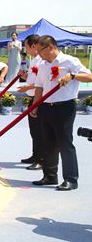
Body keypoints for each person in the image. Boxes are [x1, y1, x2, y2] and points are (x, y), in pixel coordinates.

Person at [31, 35, 92, 191]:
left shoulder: (69, 61)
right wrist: (35, 106)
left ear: (51, 47)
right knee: (48, 142)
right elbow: (39, 87)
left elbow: (89, 76)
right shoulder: (42, 65)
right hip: (46, 106)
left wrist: (72, 76)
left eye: (40, 50)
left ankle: (71, 179)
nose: (38, 54)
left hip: (64, 107)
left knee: (65, 143)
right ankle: (50, 176)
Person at [16, 34, 44, 170]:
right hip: (33, 97)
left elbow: (42, 83)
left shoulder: (42, 61)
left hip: (40, 99)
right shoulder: (34, 60)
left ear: (33, 46)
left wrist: (28, 87)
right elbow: (34, 79)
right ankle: (35, 155)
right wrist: (25, 76)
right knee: (34, 130)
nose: (25, 50)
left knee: (39, 131)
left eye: (26, 47)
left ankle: (41, 159)